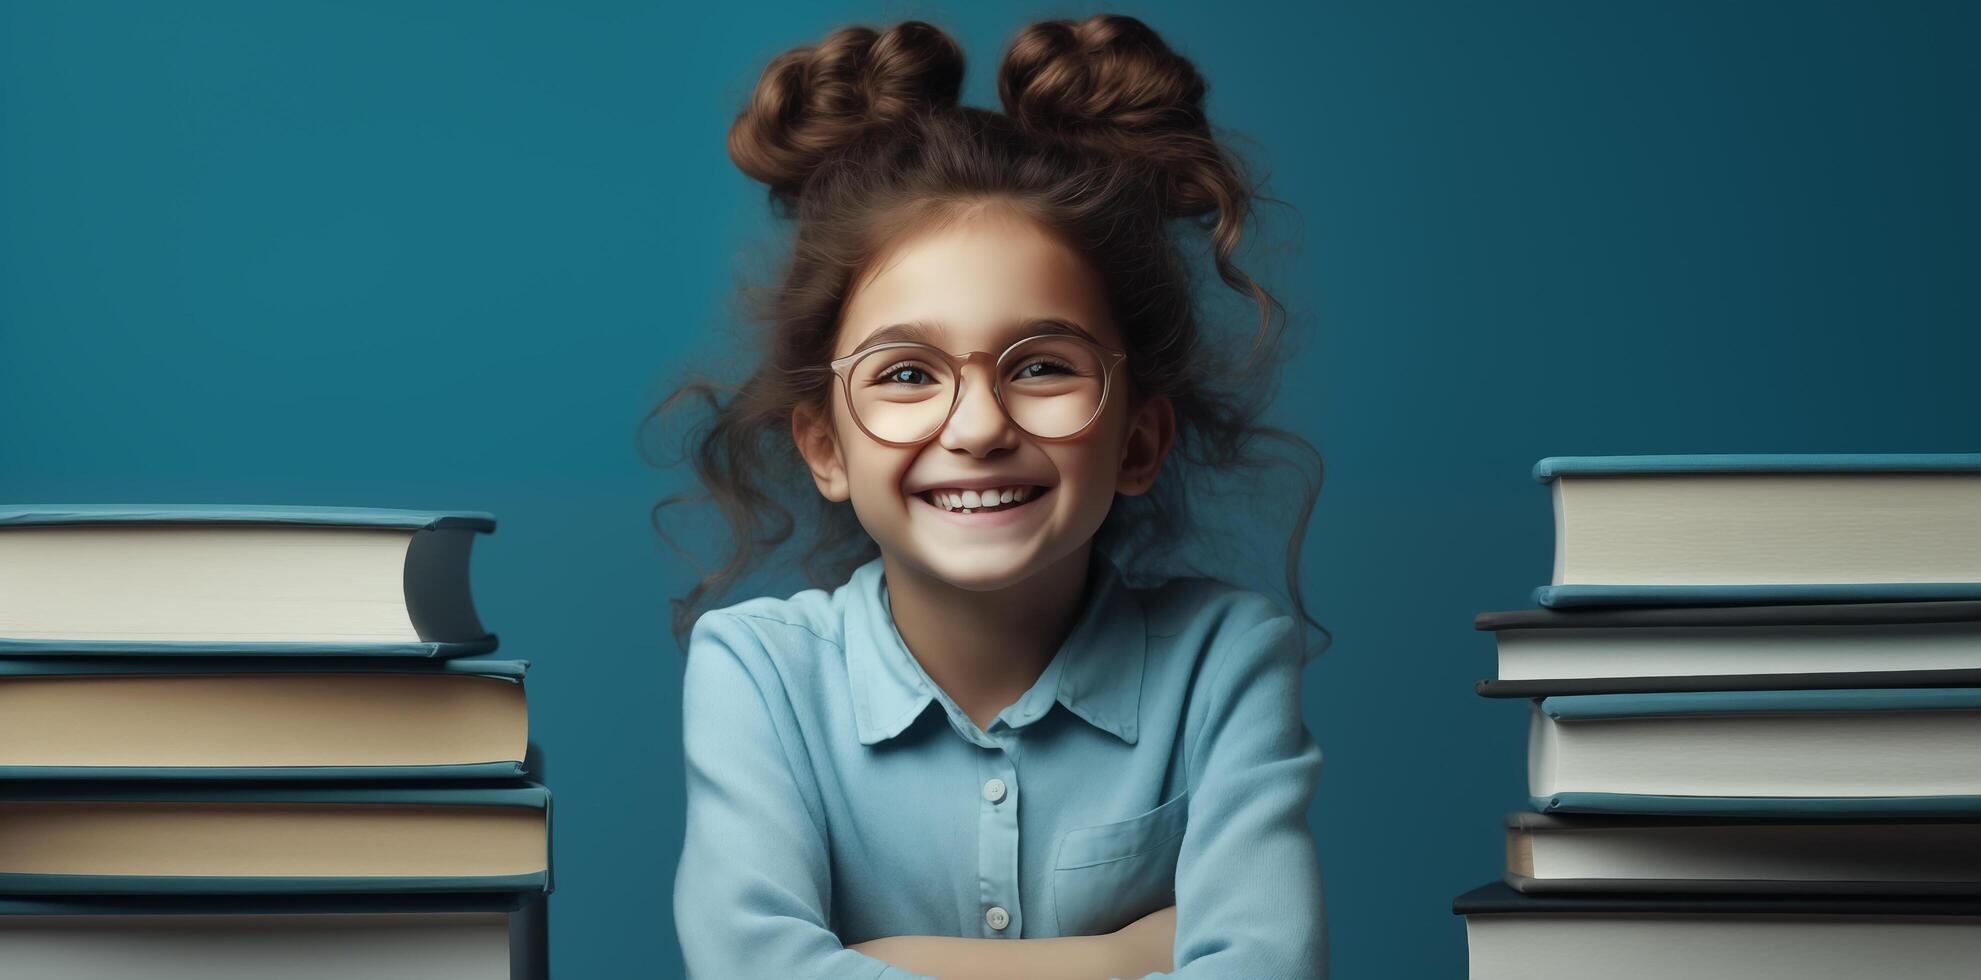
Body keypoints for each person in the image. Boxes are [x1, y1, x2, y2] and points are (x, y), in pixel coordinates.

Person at [655, 13, 1329, 978]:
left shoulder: (1223, 662)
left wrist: (877, 959)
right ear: (823, 446)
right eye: (904, 375)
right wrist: (1118, 956)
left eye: (1043, 365)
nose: (976, 428)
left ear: (1138, 438)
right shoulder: (759, 674)